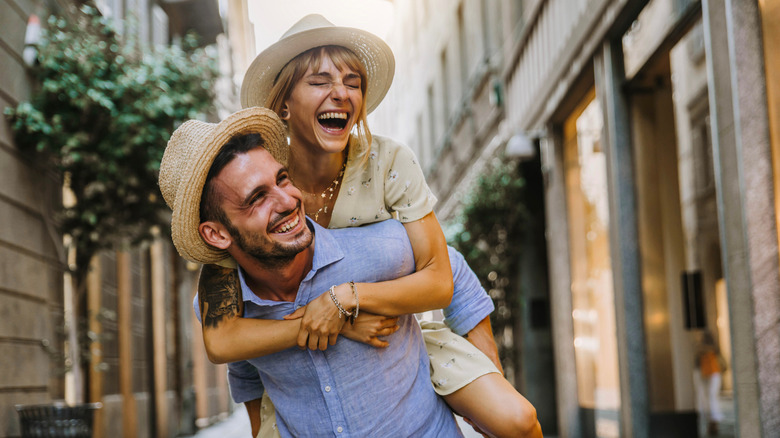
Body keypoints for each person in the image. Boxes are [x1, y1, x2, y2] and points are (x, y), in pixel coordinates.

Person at [197, 14, 542, 438]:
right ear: (284, 103)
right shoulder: (262, 179)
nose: (341, 93)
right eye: (320, 81)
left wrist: (347, 298)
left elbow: (443, 271)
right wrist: (339, 321)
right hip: (303, 373)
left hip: (400, 333)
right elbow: (226, 339)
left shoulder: (387, 162)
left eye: (353, 82)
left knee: (515, 420)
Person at [160, 106, 483, 436]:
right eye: (257, 198)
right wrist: (337, 323)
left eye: (282, 179)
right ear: (216, 235)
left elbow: (449, 268)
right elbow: (244, 369)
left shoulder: (376, 245)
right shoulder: (227, 304)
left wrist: (490, 390)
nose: (288, 202)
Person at [695, 331, 726, 436]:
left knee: (711, 396)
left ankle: (713, 418)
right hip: (708, 372)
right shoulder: (706, 348)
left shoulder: (708, 348)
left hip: (712, 371)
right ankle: (712, 418)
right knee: (708, 396)